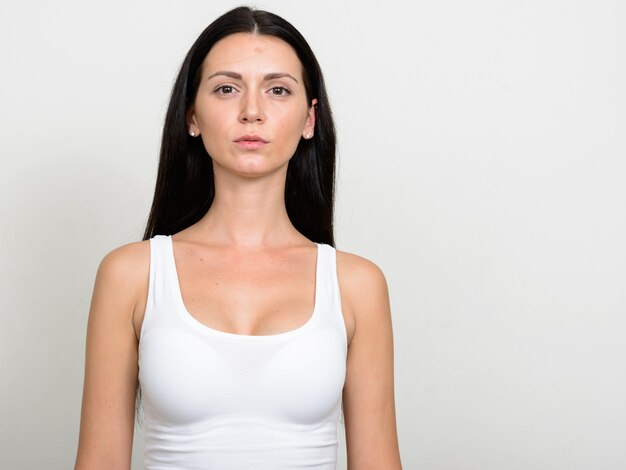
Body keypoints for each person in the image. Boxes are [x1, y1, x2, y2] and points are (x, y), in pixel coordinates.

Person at [74, 6, 402, 469]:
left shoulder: (357, 284)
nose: (252, 112)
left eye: (278, 90)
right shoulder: (131, 274)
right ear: (192, 115)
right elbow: (100, 461)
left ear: (310, 120)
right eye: (227, 89)